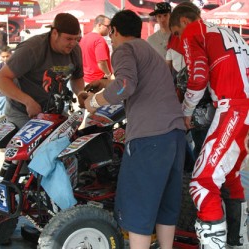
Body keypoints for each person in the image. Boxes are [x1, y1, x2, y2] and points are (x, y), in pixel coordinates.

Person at [84, 9, 186, 249]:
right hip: (175, 134)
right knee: (165, 203)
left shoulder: (124, 49)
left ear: (114, 31)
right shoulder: (148, 50)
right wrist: (104, 83)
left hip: (150, 137)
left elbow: (125, 85)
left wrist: (94, 101)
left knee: (138, 204)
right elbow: (134, 81)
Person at [169, 3, 249, 248]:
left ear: (183, 21)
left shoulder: (194, 30)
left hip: (233, 106)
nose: (177, 40)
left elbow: (198, 76)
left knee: (202, 182)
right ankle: (238, 242)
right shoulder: (229, 32)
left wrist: (185, 113)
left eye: (175, 33)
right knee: (231, 177)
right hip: (241, 106)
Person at [0, 13, 86, 129]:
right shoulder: (32, 48)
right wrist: (28, 101)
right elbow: (0, 79)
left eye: (76, 39)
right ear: (54, 33)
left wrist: (80, 93)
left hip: (55, 111)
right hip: (23, 113)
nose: (73, 43)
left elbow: (77, 77)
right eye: (68, 39)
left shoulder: (75, 50)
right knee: (33, 146)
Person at [80, 15, 112, 83]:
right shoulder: (99, 40)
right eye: (108, 26)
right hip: (98, 82)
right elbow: (101, 62)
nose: (109, 29)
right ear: (99, 25)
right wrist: (109, 75)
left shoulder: (84, 38)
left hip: (84, 79)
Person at [0, 46, 12, 120]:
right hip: (2, 93)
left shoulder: (16, 65)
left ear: (11, 54)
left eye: (7, 56)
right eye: (3, 57)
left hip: (13, 93)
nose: (5, 59)